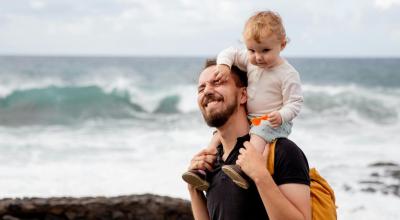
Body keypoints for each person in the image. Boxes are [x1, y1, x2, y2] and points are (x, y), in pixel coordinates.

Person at [184, 10, 303, 189]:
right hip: (253, 118)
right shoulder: (249, 61)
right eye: (251, 50)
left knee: (257, 135)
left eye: (265, 50)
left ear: (282, 44)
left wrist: (281, 115)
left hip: (274, 121)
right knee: (218, 136)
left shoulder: (288, 74)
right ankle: (203, 170)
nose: (257, 57)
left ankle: (243, 170)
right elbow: (229, 52)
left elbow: (295, 102)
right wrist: (224, 66)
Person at [185, 59, 311, 220]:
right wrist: (193, 190)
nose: (207, 91)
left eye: (217, 82)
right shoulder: (212, 164)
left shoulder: (281, 151)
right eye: (201, 88)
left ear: (243, 95)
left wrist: (260, 176)